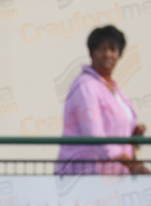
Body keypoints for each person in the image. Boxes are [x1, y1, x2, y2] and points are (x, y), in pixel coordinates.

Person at [56, 25, 148, 175]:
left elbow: (116, 130)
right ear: (92, 53)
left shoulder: (113, 88)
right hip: (84, 176)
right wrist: (131, 164)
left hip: (113, 177)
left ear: (120, 54)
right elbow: (95, 136)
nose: (107, 54)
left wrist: (134, 133)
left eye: (113, 49)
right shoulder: (85, 85)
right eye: (101, 49)